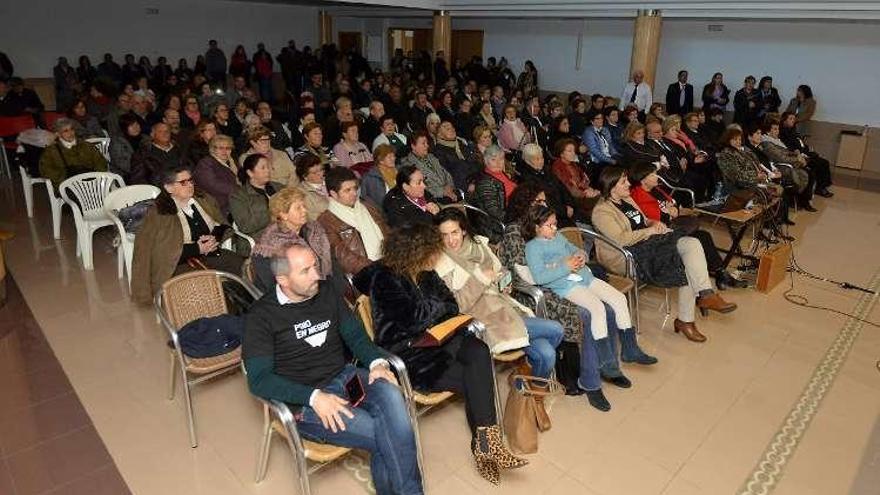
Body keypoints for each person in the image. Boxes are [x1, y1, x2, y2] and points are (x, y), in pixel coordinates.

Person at [354, 224, 528, 485]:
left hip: (441, 338)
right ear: (416, 252)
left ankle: (485, 446)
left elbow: (452, 304)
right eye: (431, 250)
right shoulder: (385, 279)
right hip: (410, 354)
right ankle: (487, 447)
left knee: (479, 351)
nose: (436, 255)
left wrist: (431, 310)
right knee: (476, 377)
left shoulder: (425, 273)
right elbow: (413, 319)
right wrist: (434, 309)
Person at [243, 243, 424, 495]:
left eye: (315, 266)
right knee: (388, 433)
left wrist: (377, 363)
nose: (317, 275)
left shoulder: (326, 291)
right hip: (305, 402)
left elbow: (356, 337)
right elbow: (259, 380)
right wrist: (313, 398)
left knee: (394, 401)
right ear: (282, 279)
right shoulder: (260, 317)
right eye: (305, 271)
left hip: (344, 377)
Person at [434, 208, 562, 425]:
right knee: (556, 329)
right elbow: (456, 304)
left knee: (547, 354)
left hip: (506, 307)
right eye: (444, 235)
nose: (450, 240)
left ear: (463, 230)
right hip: (486, 318)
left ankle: (527, 393)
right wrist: (482, 279)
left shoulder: (479, 247)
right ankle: (529, 391)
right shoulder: (440, 263)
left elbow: (500, 270)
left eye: (454, 232)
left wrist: (504, 281)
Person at [591, 167, 737, 343]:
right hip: (628, 255)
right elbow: (621, 239)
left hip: (648, 244)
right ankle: (687, 317)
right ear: (611, 186)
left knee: (693, 245)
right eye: (624, 181)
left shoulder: (627, 199)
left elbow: (644, 220)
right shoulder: (601, 211)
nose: (629, 183)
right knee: (687, 260)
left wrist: (654, 223)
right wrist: (649, 231)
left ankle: (704, 296)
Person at [521, 204, 638, 382]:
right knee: (597, 308)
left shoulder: (558, 237)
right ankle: (607, 364)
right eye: (549, 225)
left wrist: (581, 254)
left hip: (583, 277)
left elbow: (574, 249)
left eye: (555, 224)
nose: (554, 228)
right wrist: (565, 266)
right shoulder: (532, 247)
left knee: (619, 298)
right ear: (537, 227)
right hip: (566, 284)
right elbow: (539, 277)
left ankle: (630, 349)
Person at [131, 165, 242, 304]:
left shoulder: (203, 199)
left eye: (190, 180)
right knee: (203, 288)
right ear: (168, 188)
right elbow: (158, 252)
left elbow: (221, 223)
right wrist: (197, 248)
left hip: (211, 254)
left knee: (244, 266)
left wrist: (214, 238)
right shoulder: (159, 213)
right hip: (177, 264)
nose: (190, 185)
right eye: (183, 182)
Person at [628, 161, 748, 289]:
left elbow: (672, 202)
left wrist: (673, 210)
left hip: (671, 224)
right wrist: (669, 213)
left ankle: (721, 274)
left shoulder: (656, 189)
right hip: (661, 233)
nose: (657, 176)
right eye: (653, 175)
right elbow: (653, 220)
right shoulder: (638, 196)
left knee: (703, 235)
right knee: (700, 237)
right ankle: (720, 275)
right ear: (643, 179)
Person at [250, 187, 334, 293]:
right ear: (283, 215)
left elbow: (332, 265)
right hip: (291, 298)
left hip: (321, 288)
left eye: (304, 206)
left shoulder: (314, 230)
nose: (304, 210)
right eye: (298, 208)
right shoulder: (269, 246)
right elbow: (276, 285)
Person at [318, 167, 388, 278]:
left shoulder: (367, 206)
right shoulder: (326, 221)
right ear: (333, 194)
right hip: (364, 275)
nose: (354, 193)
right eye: (347, 190)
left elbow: (386, 231)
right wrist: (374, 268)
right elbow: (342, 255)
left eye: (355, 188)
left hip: (387, 263)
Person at [229, 153, 285, 251]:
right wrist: (272, 211)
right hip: (262, 236)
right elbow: (245, 226)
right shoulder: (238, 196)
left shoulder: (279, 187)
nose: (268, 170)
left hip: (287, 230)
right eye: (263, 168)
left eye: (268, 167)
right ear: (250, 173)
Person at [515, 143, 582, 226]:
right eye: (537, 159)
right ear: (528, 161)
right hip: (552, 218)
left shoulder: (547, 170)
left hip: (567, 210)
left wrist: (570, 205)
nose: (541, 161)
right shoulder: (526, 180)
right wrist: (564, 210)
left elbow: (562, 188)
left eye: (542, 157)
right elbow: (545, 202)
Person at [760, 119, 816, 211]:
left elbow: (787, 153)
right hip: (781, 167)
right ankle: (803, 201)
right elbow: (781, 158)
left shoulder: (777, 141)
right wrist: (797, 160)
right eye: (774, 129)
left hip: (788, 163)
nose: (777, 131)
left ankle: (803, 200)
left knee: (810, 171)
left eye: (778, 129)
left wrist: (797, 155)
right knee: (808, 173)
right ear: (767, 131)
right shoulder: (767, 144)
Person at [38, 118, 108, 187]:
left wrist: (96, 178)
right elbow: (46, 171)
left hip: (91, 182)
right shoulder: (51, 151)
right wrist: (67, 180)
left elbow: (101, 162)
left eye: (72, 129)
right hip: (67, 186)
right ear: (58, 134)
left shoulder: (86, 145)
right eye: (66, 131)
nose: (70, 133)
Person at [780, 111, 833, 198]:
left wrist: (809, 150)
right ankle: (820, 188)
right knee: (820, 163)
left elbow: (801, 143)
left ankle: (822, 186)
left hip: (805, 152)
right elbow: (790, 147)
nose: (793, 120)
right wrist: (802, 153)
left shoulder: (793, 131)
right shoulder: (783, 133)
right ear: (784, 121)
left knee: (824, 161)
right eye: (790, 119)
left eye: (794, 119)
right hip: (798, 155)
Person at [471, 145, 516, 243]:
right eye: (493, 160)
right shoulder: (485, 183)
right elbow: (494, 211)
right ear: (486, 161)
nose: (498, 163)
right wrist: (516, 216)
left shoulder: (502, 174)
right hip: (496, 225)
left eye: (501, 159)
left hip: (512, 212)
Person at [399, 131, 458, 203]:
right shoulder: (408, 164)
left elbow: (446, 173)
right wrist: (442, 192)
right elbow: (419, 188)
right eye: (423, 143)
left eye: (427, 143)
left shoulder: (431, 157)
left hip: (450, 192)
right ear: (413, 146)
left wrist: (449, 187)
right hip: (433, 200)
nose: (427, 146)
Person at [551, 138, 600, 216]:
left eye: (574, 151)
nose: (573, 153)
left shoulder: (574, 164)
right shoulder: (557, 167)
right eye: (569, 151)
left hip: (582, 193)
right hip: (572, 199)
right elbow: (568, 188)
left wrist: (588, 189)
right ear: (561, 154)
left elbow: (585, 179)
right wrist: (585, 194)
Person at [193, 134, 238, 216]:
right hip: (217, 207)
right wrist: (239, 190)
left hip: (233, 203)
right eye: (221, 148)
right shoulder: (206, 163)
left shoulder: (232, 163)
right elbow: (212, 184)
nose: (225, 151)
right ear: (212, 149)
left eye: (228, 148)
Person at [433, 120, 482, 194]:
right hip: (464, 186)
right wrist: (466, 186)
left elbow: (474, 161)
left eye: (452, 127)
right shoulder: (439, 152)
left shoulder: (461, 143)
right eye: (447, 129)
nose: (452, 129)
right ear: (439, 135)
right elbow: (447, 175)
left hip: (477, 178)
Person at [109, 113, 147, 182]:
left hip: (144, 171)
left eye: (137, 124)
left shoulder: (145, 138)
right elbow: (123, 165)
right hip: (125, 175)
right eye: (131, 125)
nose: (136, 128)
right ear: (124, 128)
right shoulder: (117, 142)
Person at [360, 144, 398, 208]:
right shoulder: (370, 178)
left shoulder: (397, 171)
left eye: (393, 156)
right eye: (389, 157)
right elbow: (374, 202)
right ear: (380, 160)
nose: (393, 158)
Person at [294, 153, 330, 221]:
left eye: (321, 169)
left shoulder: (331, 180)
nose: (320, 174)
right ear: (305, 176)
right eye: (315, 172)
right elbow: (313, 218)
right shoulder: (301, 193)